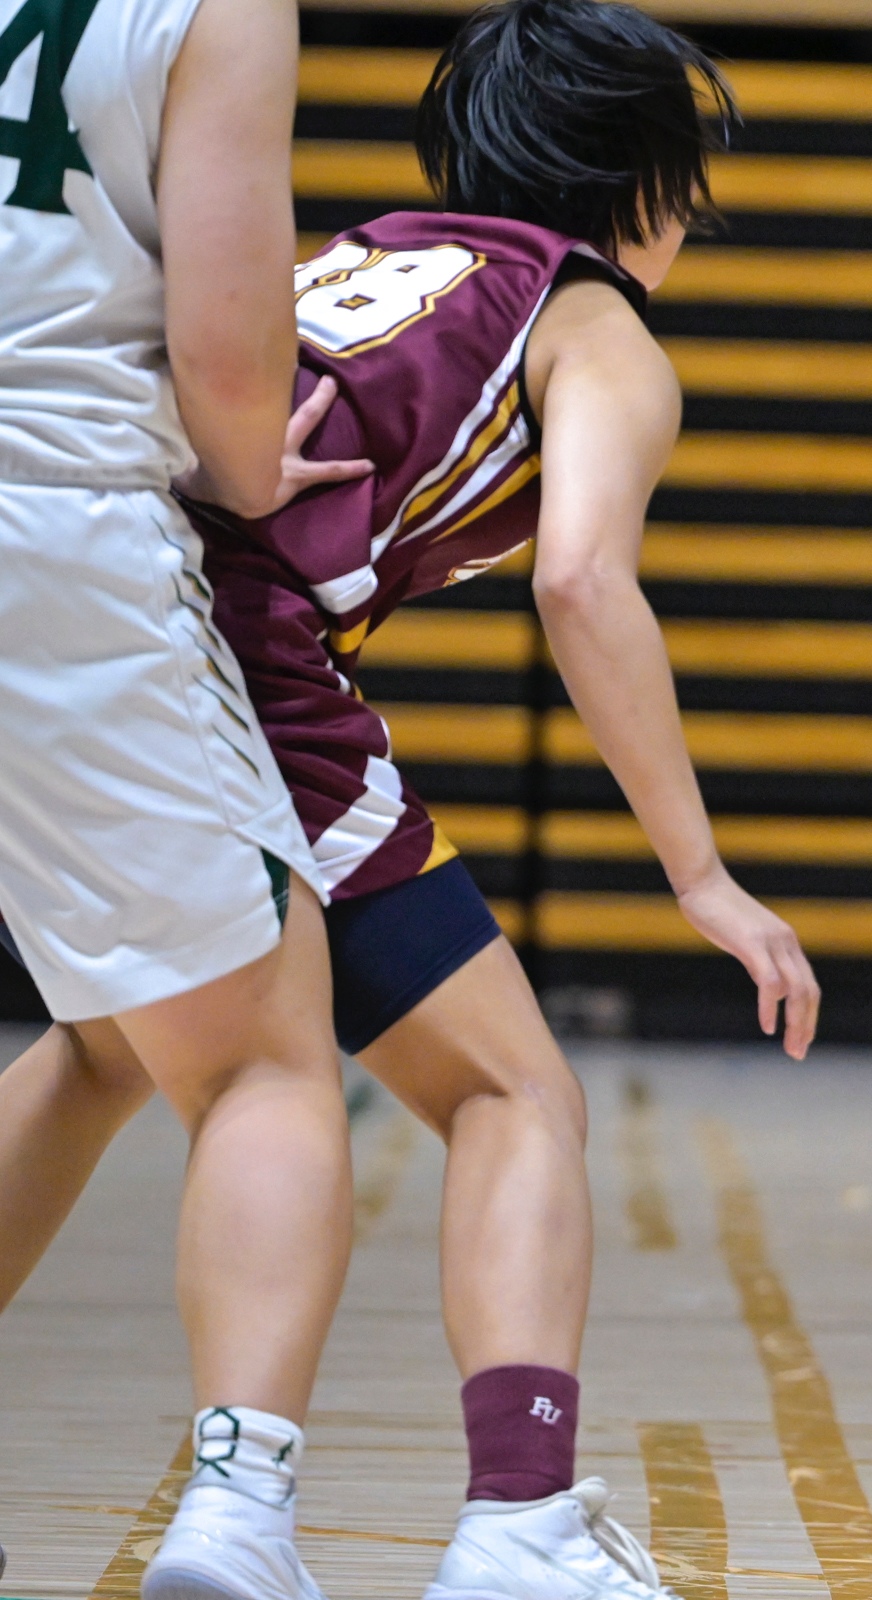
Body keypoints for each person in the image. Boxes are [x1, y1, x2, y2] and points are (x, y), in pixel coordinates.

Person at [0, 0, 817, 1593]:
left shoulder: (369, 250)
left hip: (73, 606)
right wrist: (701, 876)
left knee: (105, 1048)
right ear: (651, 188)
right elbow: (582, 582)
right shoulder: (598, 332)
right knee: (514, 1095)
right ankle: (516, 1525)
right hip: (219, 655)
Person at [0, 0, 371, 1590]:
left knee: (103, 1041)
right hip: (51, 527)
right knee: (263, 1061)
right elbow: (229, 361)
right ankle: (237, 1513)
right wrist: (253, 465)